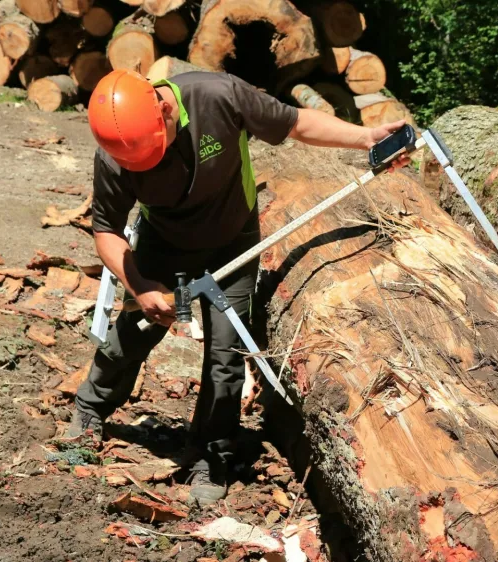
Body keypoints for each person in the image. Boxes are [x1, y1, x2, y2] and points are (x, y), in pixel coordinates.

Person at [66, 68, 409, 505]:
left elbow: (297, 123)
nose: (147, 165)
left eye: (154, 152)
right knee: (132, 333)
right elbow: (105, 230)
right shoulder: (117, 150)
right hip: (164, 244)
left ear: (166, 110)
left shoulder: (219, 96)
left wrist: (367, 137)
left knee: (226, 356)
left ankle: (210, 453)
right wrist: (139, 285)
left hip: (233, 244)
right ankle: (91, 406)